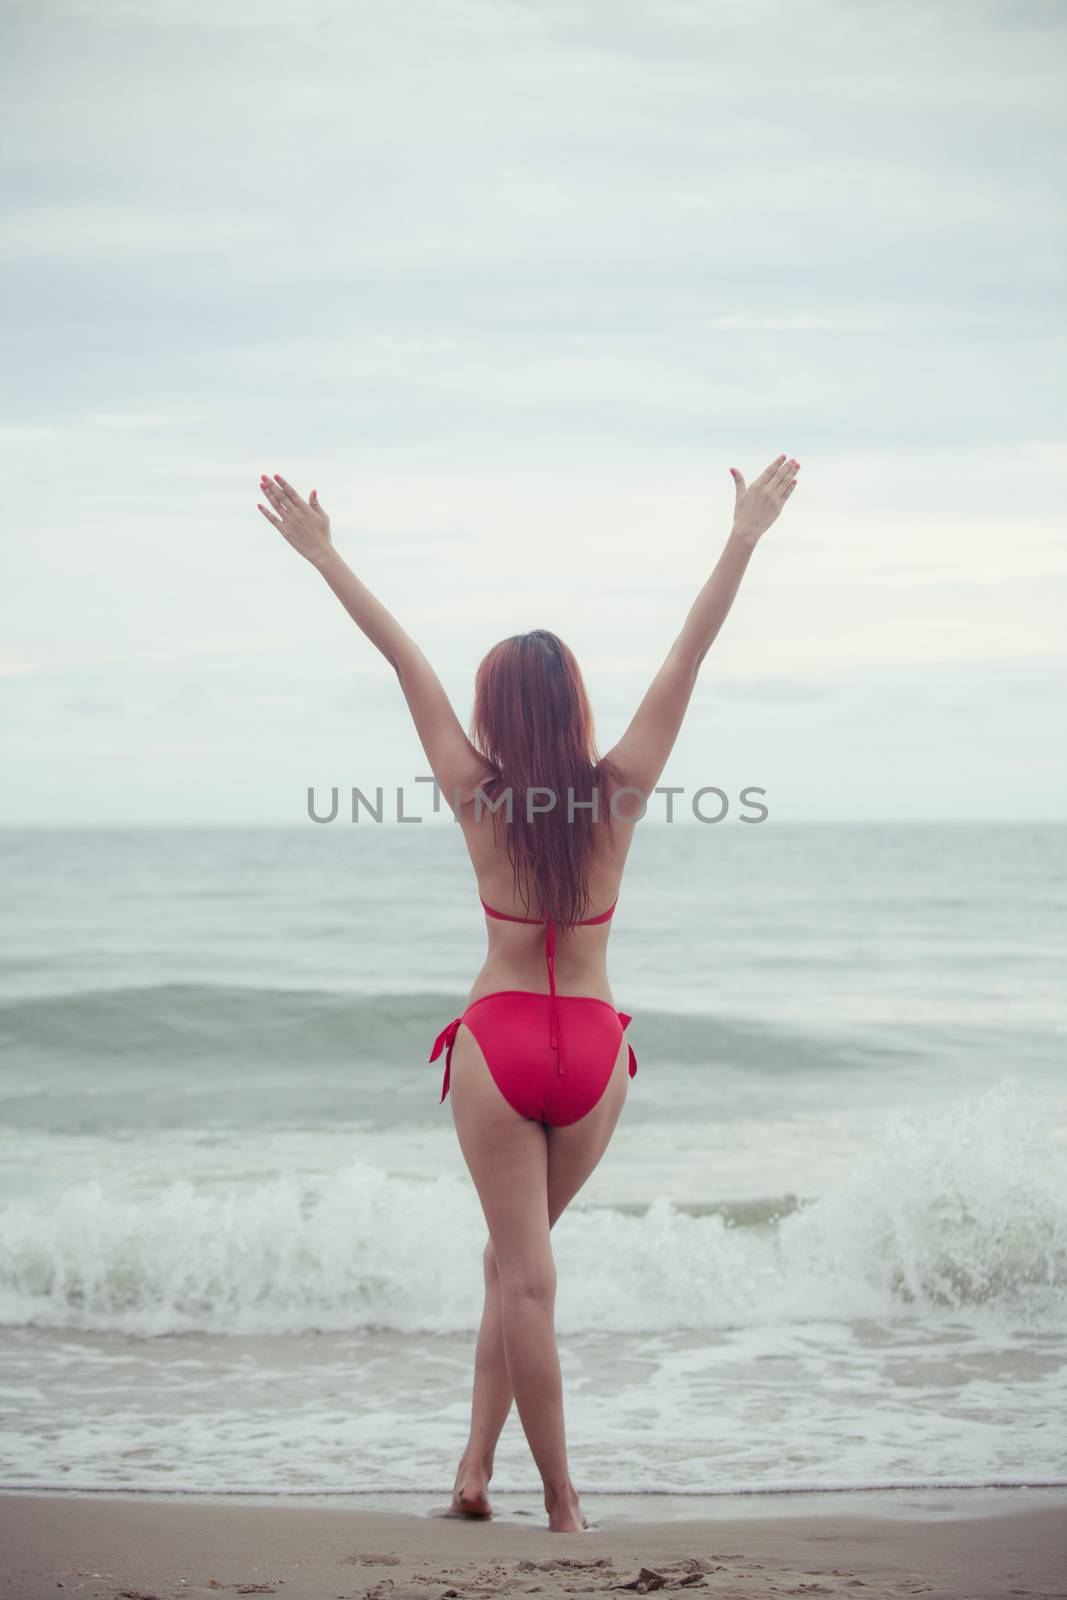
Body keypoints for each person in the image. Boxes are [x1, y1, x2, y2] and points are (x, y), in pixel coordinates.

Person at [256, 453, 801, 1532]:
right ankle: (475, 1471)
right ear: (577, 706)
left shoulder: (474, 794)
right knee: (519, 1270)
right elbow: (690, 651)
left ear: (496, 710)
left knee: (519, 1277)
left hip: (498, 1042)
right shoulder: (622, 790)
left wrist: (326, 556)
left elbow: (398, 654)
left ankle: (558, 1502)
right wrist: (742, 535)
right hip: (593, 1050)